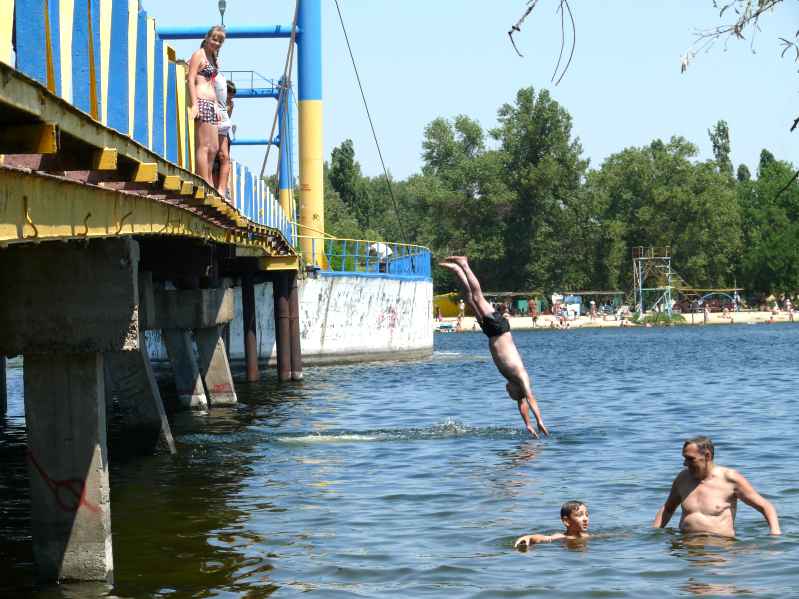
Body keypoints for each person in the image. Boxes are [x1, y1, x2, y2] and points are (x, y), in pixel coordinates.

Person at [439, 256, 548, 437]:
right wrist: (539, 420)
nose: (508, 392)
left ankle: (457, 271)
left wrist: (528, 425)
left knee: (469, 300)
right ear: (517, 390)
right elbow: (530, 400)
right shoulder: (521, 377)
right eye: (510, 394)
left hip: (491, 333)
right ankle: (464, 264)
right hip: (499, 328)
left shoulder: (515, 385)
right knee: (478, 297)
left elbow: (521, 404)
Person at [652, 436, 781, 537]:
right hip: (686, 547)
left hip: (719, 548)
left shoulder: (730, 478)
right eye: (684, 458)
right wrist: (654, 534)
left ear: (707, 456)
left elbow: (765, 506)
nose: (685, 463)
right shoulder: (682, 478)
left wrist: (775, 534)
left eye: (690, 459)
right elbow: (668, 509)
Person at [188, 26, 226, 187]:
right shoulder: (199, 54)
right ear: (207, 38)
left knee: (214, 148)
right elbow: (190, 79)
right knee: (204, 145)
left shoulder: (212, 57)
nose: (216, 43)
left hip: (212, 104)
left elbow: (211, 83)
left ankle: (208, 179)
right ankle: (205, 182)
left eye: (220, 41)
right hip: (202, 101)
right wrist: (194, 104)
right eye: (214, 39)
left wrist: (217, 105)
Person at [514, 501, 589, 549]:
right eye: (579, 515)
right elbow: (543, 538)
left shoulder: (586, 536)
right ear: (566, 521)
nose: (585, 519)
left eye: (587, 515)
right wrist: (529, 537)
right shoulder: (561, 537)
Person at [213, 76, 236, 199]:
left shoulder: (231, 104)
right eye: (229, 94)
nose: (230, 97)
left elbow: (228, 117)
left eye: (232, 95)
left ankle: (223, 187)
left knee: (224, 158)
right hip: (216, 129)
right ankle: (217, 185)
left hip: (223, 131)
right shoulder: (217, 100)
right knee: (217, 159)